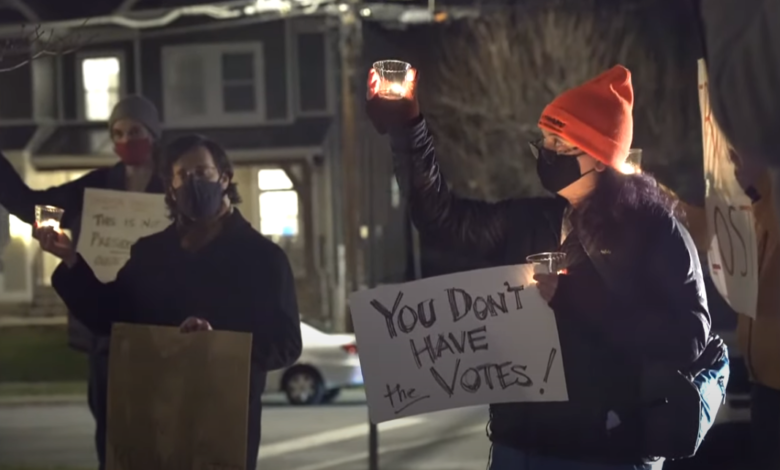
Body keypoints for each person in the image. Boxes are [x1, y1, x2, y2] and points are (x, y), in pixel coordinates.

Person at [366, 65, 711, 470]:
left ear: (600, 158)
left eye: (560, 145)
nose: (546, 152)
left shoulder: (653, 231)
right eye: (544, 141)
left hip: (607, 452)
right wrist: (407, 128)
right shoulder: (531, 220)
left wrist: (579, 298)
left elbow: (687, 337)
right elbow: (440, 218)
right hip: (519, 447)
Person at [33, 133, 302, 470]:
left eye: (202, 172)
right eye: (183, 175)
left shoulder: (264, 258)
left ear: (224, 178)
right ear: (170, 187)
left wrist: (216, 342)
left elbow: (286, 343)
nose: (193, 182)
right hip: (153, 416)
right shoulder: (149, 252)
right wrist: (71, 259)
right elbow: (111, 317)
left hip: (223, 420)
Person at [0, 94, 165, 470]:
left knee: (160, 431)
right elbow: (34, 207)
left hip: (161, 330)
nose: (126, 140)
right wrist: (46, 230)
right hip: (106, 332)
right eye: (118, 132)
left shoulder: (170, 187)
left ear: (153, 135)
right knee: (110, 431)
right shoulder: (92, 189)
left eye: (135, 131)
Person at [674, 153, 780, 470]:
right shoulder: (754, 202)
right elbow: (707, 230)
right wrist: (646, 189)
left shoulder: (766, 200)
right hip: (763, 387)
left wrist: (761, 185)